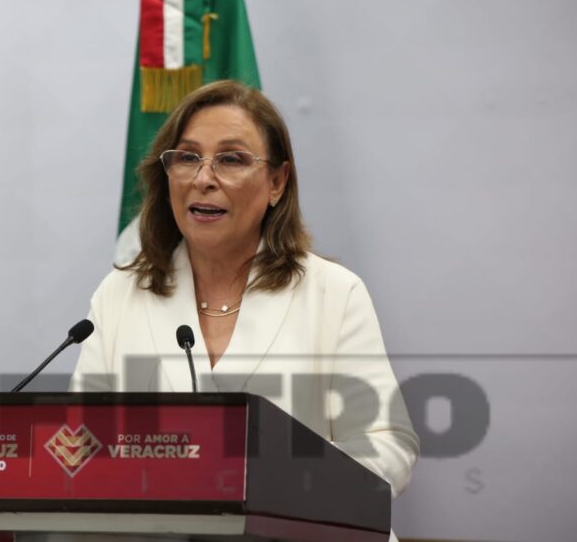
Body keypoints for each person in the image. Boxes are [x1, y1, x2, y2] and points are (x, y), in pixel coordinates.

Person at [70, 80, 418, 539]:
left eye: (231, 159)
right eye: (188, 157)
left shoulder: (332, 292)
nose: (203, 178)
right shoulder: (120, 293)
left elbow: (388, 444)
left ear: (276, 182)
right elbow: (79, 442)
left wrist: (282, 487)